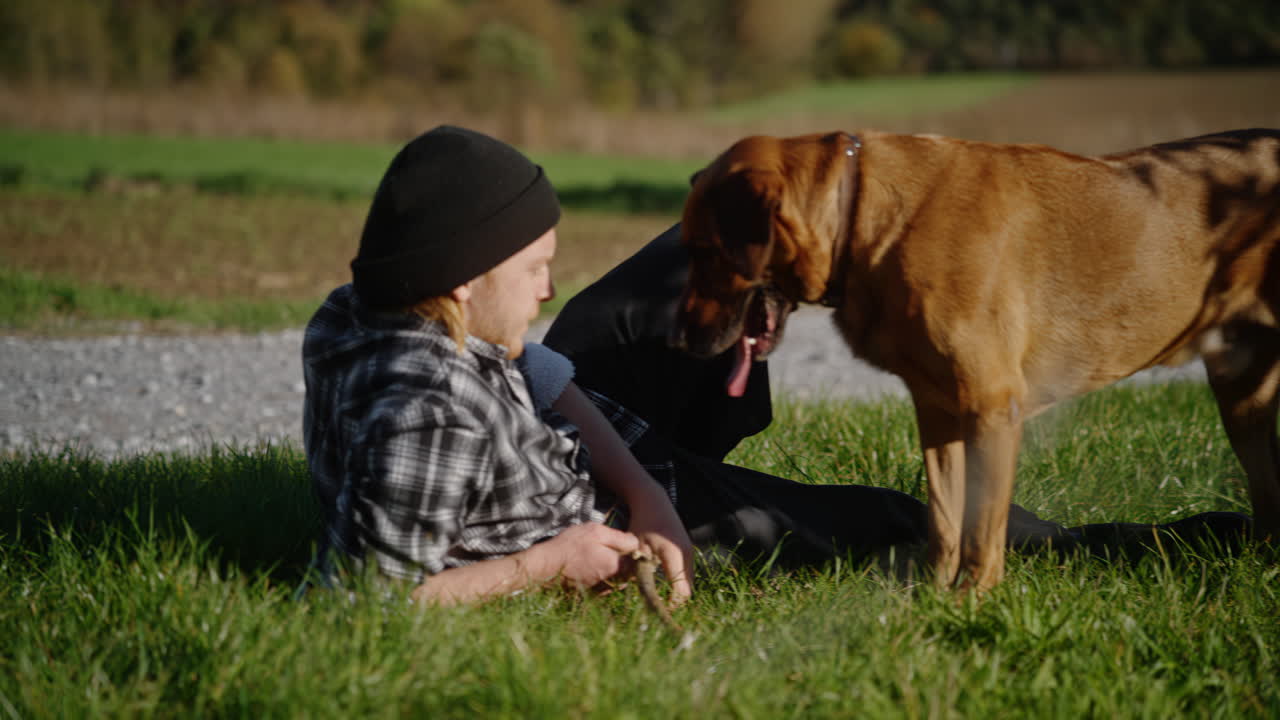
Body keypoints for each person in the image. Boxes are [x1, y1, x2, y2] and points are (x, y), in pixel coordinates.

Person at [302, 125, 1251, 606]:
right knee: (879, 519)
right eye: (535, 268)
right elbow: (366, 601)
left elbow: (543, 376)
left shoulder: (377, 317)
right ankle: (1131, 545)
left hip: (608, 466)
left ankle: (750, 310)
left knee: (687, 259)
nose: (551, 284)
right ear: (463, 283)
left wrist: (641, 481)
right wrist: (557, 559)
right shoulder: (424, 415)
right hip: (581, 518)